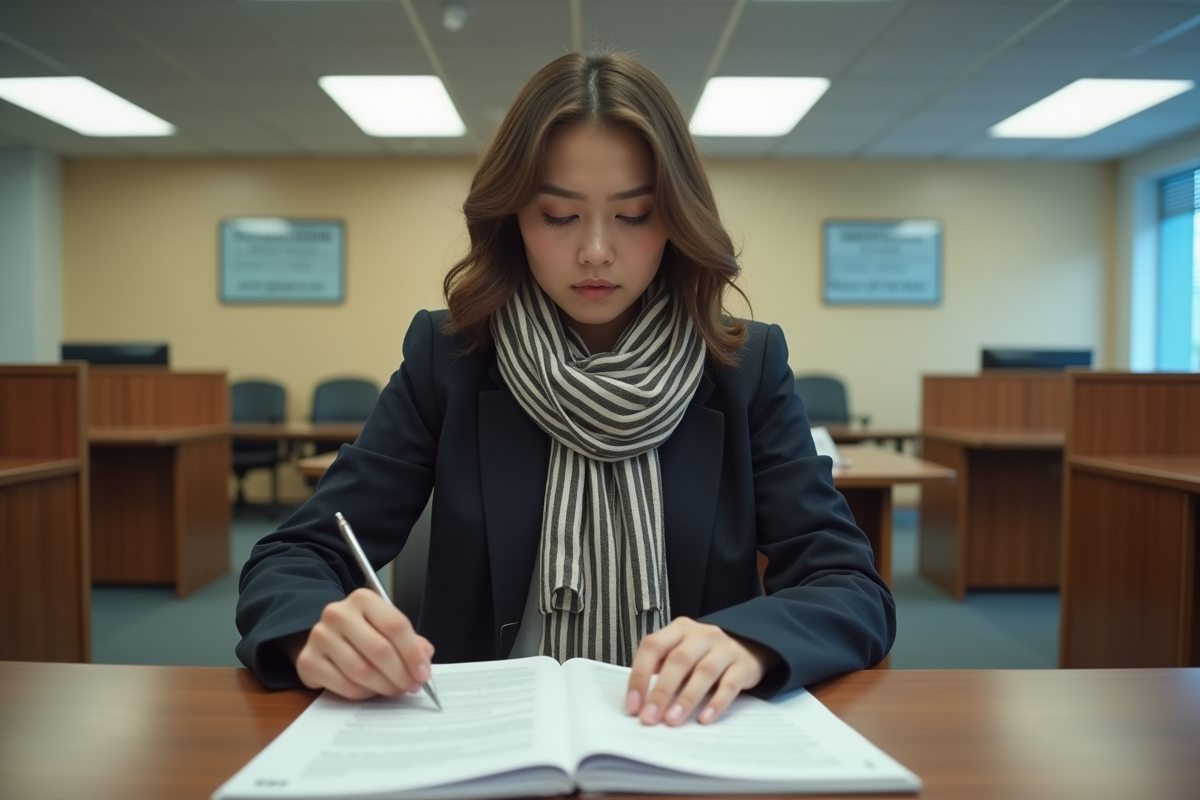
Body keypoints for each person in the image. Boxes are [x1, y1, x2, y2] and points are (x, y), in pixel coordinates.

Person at [236, 51, 895, 727]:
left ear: (675, 218)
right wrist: (316, 630)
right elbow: (295, 557)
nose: (596, 252)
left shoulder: (745, 369)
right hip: (482, 739)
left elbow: (849, 588)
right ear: (512, 218)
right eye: (558, 215)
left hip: (686, 736)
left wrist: (751, 644)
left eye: (635, 215)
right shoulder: (451, 359)